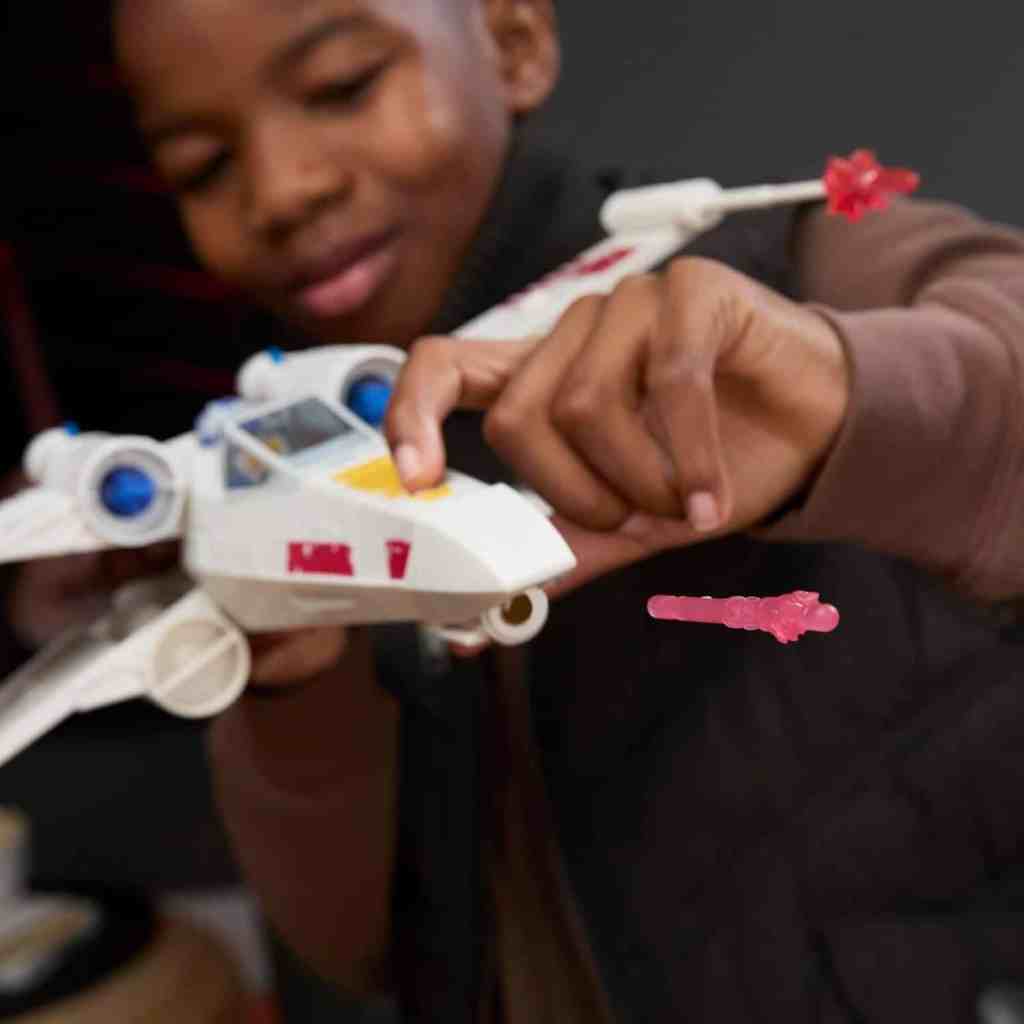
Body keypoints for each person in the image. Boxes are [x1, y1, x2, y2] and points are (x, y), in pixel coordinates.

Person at [17, 0, 1022, 1019]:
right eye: (202, 167)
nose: (280, 189)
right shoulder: (302, 450)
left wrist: (846, 394)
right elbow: (359, 949)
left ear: (513, 43)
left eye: (343, 88)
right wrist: (296, 693)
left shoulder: (800, 276)